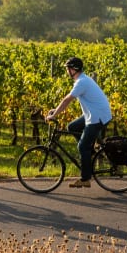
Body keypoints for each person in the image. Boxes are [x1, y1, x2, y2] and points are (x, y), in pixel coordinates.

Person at [46, 57, 113, 188]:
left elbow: (67, 100)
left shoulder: (81, 82)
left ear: (73, 69)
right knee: (72, 127)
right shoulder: (82, 80)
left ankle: (85, 178)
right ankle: (89, 152)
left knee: (82, 147)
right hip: (94, 114)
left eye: (67, 69)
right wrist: (56, 110)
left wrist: (54, 115)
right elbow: (66, 101)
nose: (66, 71)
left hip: (97, 117)